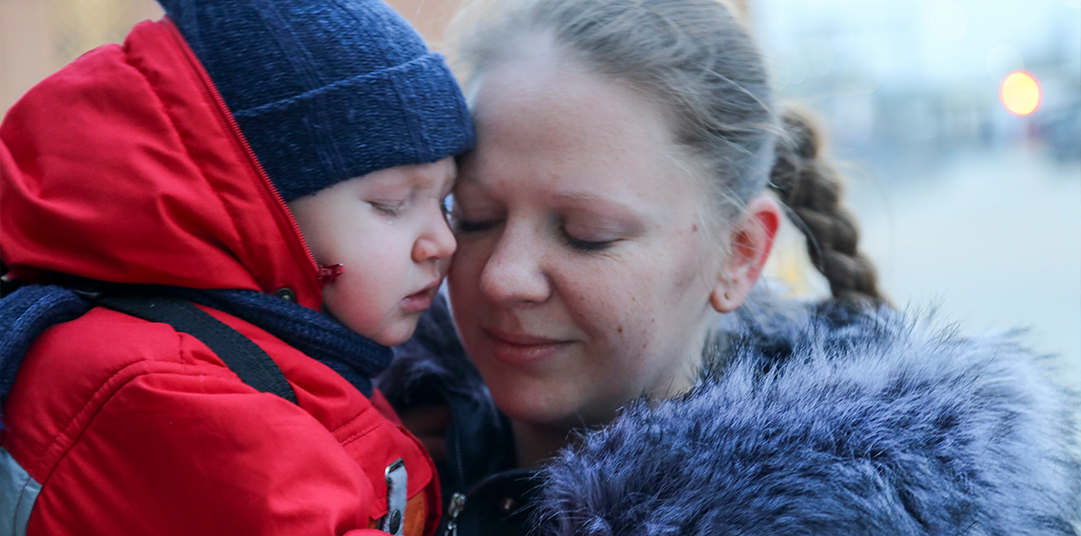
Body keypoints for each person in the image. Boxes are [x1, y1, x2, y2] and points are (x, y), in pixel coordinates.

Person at [378, 0, 1081, 534]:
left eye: (586, 235)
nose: (502, 277)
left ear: (738, 256)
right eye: (471, 218)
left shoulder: (867, 511)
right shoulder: (351, 428)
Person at [0, 0, 473, 534]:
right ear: (257, 207)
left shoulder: (271, 348)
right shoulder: (170, 395)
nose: (441, 241)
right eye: (392, 204)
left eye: (448, 203)